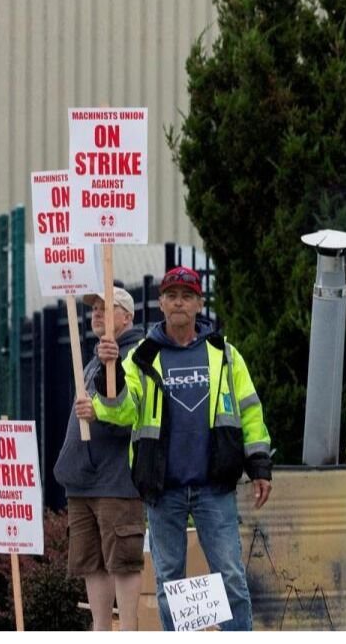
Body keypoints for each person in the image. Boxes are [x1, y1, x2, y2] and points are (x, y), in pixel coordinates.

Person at [78, 266, 272, 631]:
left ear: (199, 304)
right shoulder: (141, 357)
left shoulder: (224, 354)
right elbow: (121, 412)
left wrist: (259, 464)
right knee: (170, 583)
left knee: (230, 577)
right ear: (161, 304)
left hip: (214, 487)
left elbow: (250, 411)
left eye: (187, 295)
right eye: (171, 296)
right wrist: (112, 372)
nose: (179, 302)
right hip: (163, 489)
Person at [53, 286, 146, 630]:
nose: (97, 314)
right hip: (83, 479)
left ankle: (129, 630)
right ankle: (101, 629)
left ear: (127, 316)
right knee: (91, 562)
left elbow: (133, 411)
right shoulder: (95, 358)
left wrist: (101, 411)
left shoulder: (137, 355)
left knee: (122, 561)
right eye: (94, 309)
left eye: (107, 308)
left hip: (116, 480)